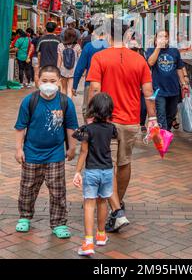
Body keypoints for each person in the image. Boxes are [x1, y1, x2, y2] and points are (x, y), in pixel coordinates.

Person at [86, 19, 156, 232]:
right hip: (131, 120)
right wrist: (152, 118)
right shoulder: (139, 60)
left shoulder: (99, 58)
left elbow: (95, 90)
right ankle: (118, 205)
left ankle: (116, 211)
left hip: (105, 121)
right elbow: (148, 92)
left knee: (107, 165)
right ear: (128, 37)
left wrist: (91, 117)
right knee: (124, 163)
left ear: (107, 36)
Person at [14, 65, 78, 238]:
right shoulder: (29, 101)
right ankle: (25, 217)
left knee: (58, 191)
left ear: (59, 82)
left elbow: (71, 128)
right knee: (27, 188)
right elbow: (21, 127)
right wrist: (19, 149)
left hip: (55, 154)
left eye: (52, 81)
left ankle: (58, 223)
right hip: (31, 153)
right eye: (44, 81)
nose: (48, 84)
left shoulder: (66, 102)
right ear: (38, 80)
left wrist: (72, 148)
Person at [73, 93, 117, 256]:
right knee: (102, 202)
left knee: (89, 204)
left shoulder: (87, 130)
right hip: (107, 170)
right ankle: (101, 234)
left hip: (92, 171)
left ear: (92, 109)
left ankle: (88, 242)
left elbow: (84, 152)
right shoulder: (112, 129)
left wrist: (77, 171)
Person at [146, 30, 188, 132]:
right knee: (161, 114)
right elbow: (150, 63)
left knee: (171, 113)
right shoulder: (151, 50)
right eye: (159, 37)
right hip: (159, 90)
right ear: (156, 39)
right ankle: (163, 136)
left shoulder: (174, 51)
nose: (162, 39)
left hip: (173, 89)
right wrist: (158, 48)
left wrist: (183, 83)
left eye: (164, 36)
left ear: (168, 39)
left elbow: (179, 68)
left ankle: (166, 131)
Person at [73, 29, 110, 122]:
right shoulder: (111, 47)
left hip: (90, 83)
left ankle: (88, 128)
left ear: (94, 34)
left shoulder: (89, 46)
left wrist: (74, 85)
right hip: (108, 83)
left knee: (88, 108)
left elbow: (80, 67)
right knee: (107, 108)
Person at [57, 29, 81, 99]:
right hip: (73, 71)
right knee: (70, 90)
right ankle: (69, 106)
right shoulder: (77, 46)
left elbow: (59, 60)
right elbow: (80, 59)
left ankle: (63, 105)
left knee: (63, 89)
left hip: (63, 71)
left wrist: (57, 70)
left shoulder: (60, 46)